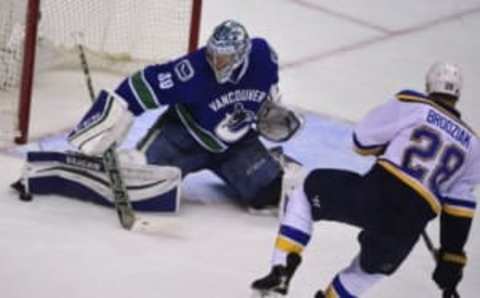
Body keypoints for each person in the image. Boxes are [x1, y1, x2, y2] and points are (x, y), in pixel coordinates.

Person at [11, 20, 303, 214]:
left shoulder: (264, 58)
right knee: (134, 184)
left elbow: (267, 94)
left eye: (224, 58)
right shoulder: (192, 71)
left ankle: (272, 159)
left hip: (237, 146)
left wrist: (271, 111)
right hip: (182, 140)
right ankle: (62, 172)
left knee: (270, 197)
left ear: (241, 56)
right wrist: (106, 125)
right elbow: (136, 88)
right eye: (214, 54)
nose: (216, 62)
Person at [250, 62, 480, 297]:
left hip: (377, 196)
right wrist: (451, 259)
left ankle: (281, 270)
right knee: (368, 271)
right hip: (410, 224)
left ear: (429, 85)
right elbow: (459, 208)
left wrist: (385, 146)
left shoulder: (414, 104)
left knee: (306, 190)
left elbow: (361, 140)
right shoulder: (473, 144)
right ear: (457, 94)